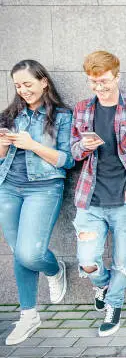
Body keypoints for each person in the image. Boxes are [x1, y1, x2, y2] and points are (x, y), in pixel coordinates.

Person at [70, 51, 126, 337]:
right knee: (88, 262)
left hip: (125, 200)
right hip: (89, 200)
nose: (99, 87)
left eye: (103, 81)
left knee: (123, 262)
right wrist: (85, 147)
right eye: (93, 82)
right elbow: (73, 152)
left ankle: (114, 306)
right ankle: (102, 285)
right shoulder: (82, 109)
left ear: (117, 76)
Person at [0, 60, 74, 345]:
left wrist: (32, 144)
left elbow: (67, 160)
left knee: (29, 253)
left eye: (28, 84)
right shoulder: (9, 115)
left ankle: (55, 269)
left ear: (44, 82)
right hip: (8, 187)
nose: (23, 90)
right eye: (18, 86)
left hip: (43, 188)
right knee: (19, 252)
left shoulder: (62, 117)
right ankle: (28, 315)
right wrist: (4, 145)